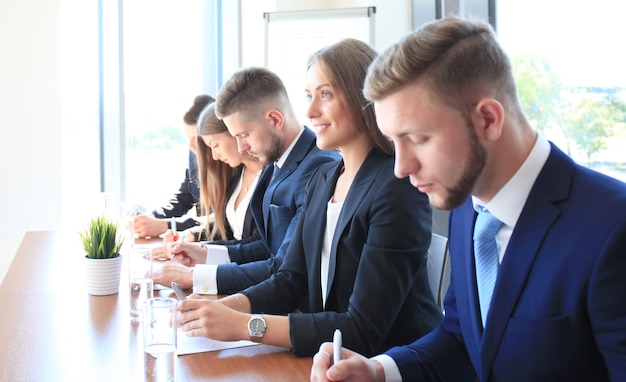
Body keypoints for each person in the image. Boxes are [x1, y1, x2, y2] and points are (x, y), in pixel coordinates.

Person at [311, 16, 626, 382]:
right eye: (393, 141)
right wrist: (380, 370)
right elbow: (463, 338)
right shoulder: (467, 207)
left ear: (489, 119)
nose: (400, 167)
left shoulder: (612, 230)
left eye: (418, 138)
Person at [174, 39, 442, 358]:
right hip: (329, 357)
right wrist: (222, 310)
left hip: (389, 362)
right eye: (308, 96)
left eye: (325, 94)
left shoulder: (396, 187)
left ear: (363, 97)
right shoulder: (323, 180)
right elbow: (291, 280)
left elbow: (361, 328)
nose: (311, 111)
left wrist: (245, 326)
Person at [158, 67, 340, 294]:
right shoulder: (274, 161)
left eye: (244, 135)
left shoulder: (318, 166)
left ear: (274, 119)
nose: (241, 147)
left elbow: (284, 267)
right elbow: (265, 247)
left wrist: (193, 277)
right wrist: (204, 254)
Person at [153, 102, 264, 278]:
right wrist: (190, 238)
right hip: (232, 273)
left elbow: (260, 246)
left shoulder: (269, 175)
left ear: (234, 132)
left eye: (215, 145)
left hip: (245, 278)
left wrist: (202, 251)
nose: (214, 156)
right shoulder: (238, 172)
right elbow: (227, 225)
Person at [133, 94, 214, 238]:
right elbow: (184, 196)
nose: (191, 145)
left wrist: (166, 226)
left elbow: (221, 222)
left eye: (197, 138)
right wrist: (152, 217)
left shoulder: (231, 163)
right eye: (187, 137)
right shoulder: (194, 154)